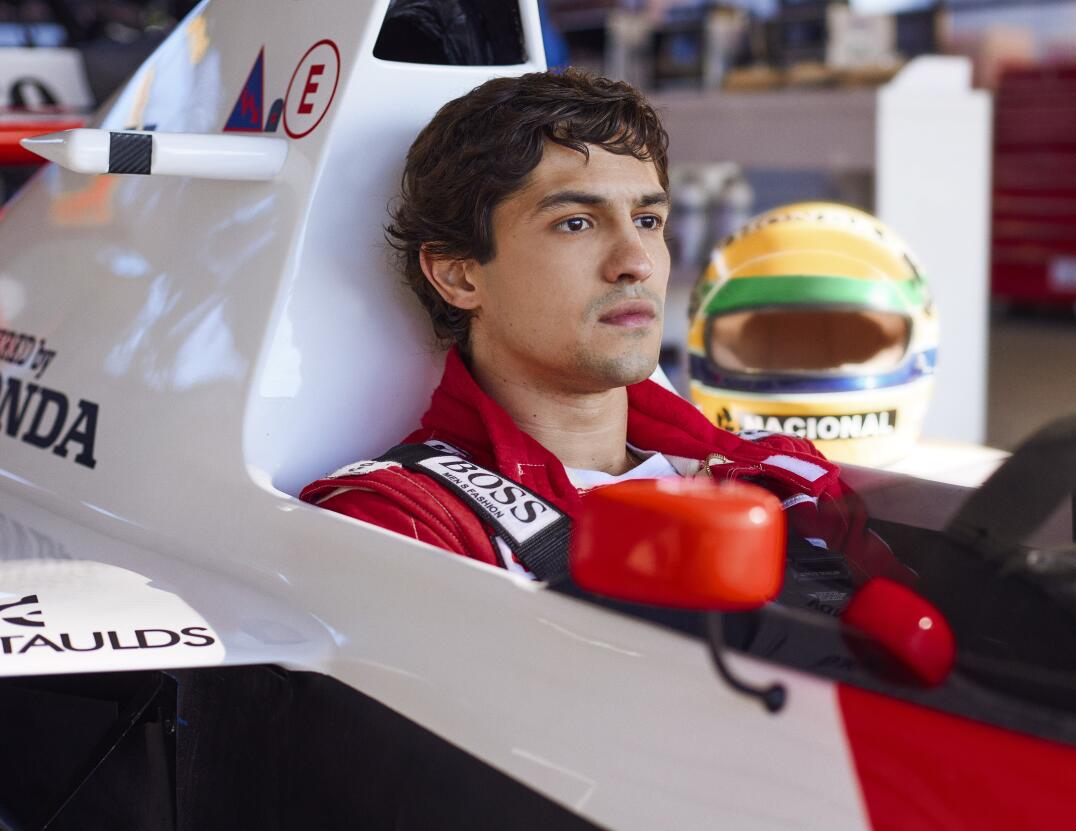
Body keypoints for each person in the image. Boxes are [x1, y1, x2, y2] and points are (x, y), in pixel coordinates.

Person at [301, 69, 906, 585]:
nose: (636, 262)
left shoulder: (783, 478)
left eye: (647, 219)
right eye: (576, 224)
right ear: (459, 276)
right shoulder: (404, 521)